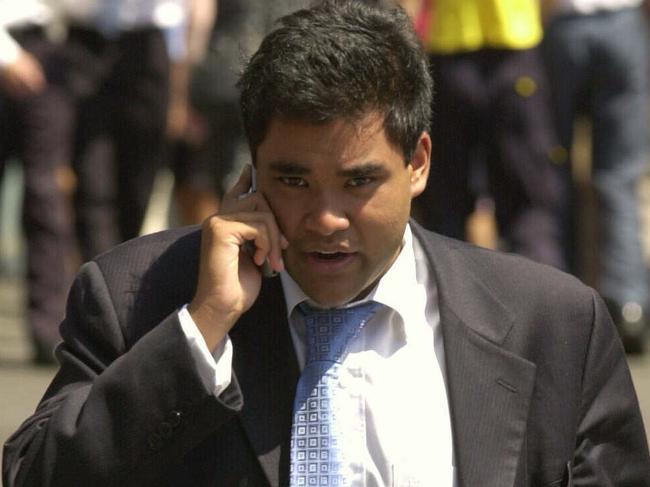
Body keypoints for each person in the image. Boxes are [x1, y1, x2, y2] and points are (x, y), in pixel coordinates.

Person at [3, 1, 649, 485]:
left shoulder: (555, 326)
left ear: (419, 163)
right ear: (249, 171)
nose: (325, 218)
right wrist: (201, 332)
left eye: (358, 182)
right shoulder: (140, 302)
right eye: (292, 180)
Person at [409, 0, 566, 270]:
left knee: (447, 200)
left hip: (451, 50)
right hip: (514, 48)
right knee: (529, 198)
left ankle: (446, 295)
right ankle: (540, 299)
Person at [541, 0, 650, 354]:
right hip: (623, 24)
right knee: (620, 177)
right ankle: (629, 303)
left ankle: (559, 298)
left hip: (564, 26)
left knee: (554, 171)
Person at [0, 0, 75, 363]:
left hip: (49, 50)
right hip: (10, 43)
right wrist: (6, 54)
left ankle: (47, 329)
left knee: (45, 196)